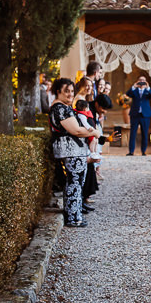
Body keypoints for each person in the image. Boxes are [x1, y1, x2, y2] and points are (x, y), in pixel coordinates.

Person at [49, 77, 98, 228]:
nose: (71, 94)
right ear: (58, 92)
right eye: (67, 91)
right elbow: (75, 130)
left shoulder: (62, 107)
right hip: (71, 150)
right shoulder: (60, 108)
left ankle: (75, 215)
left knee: (75, 183)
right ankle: (72, 217)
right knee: (74, 183)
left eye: (72, 91)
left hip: (73, 150)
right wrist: (94, 132)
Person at [126, 75, 151, 156]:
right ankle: (131, 151)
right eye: (140, 80)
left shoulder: (147, 91)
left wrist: (148, 87)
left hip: (145, 115)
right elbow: (128, 94)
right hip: (135, 115)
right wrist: (134, 86)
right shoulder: (134, 90)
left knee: (145, 133)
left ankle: (143, 151)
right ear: (137, 81)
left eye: (143, 80)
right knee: (133, 133)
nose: (142, 81)